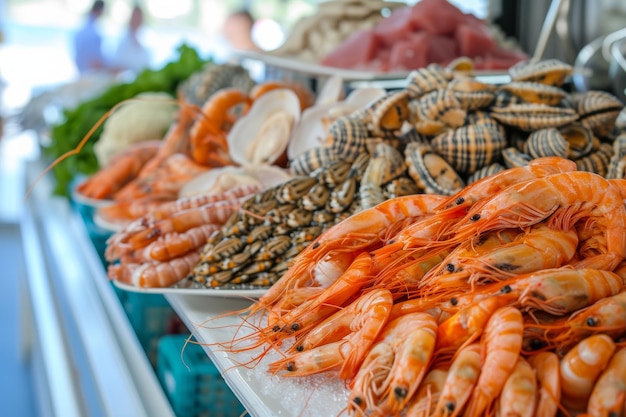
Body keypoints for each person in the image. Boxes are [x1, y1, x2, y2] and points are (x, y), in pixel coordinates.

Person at [110, 4, 150, 75]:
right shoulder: (122, 36)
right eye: (134, 16)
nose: (136, 20)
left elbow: (146, 63)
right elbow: (117, 61)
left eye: (138, 17)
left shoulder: (147, 36)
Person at [73, 0, 107, 74]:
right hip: (89, 73)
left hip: (81, 71)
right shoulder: (93, 32)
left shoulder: (82, 25)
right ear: (100, 11)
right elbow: (95, 61)